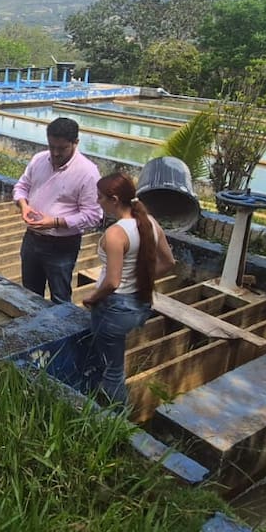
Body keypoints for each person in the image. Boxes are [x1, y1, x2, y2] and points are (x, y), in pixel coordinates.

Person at [82, 173, 176, 406]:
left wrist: (92, 298)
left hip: (114, 309)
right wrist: (140, 280)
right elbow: (169, 262)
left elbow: (113, 281)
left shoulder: (116, 233)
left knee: (113, 372)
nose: (98, 201)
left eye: (100, 197)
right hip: (140, 305)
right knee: (111, 359)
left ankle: (118, 420)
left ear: (114, 200)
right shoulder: (149, 222)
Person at [13, 117, 103, 303]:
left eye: (62, 148)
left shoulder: (88, 172)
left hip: (62, 245)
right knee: (29, 295)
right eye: (52, 146)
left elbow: (93, 215)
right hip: (32, 238)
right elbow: (22, 186)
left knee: (60, 297)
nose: (55, 153)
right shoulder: (39, 159)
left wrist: (55, 222)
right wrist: (24, 206)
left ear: (75, 143)